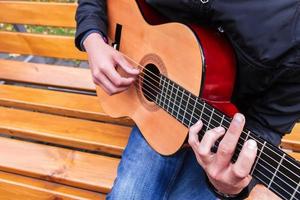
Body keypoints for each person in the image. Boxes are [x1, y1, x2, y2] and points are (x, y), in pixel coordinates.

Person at [75, 0, 300, 199]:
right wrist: (93, 37)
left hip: (224, 134)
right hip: (158, 112)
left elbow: (266, 125)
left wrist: (228, 187)